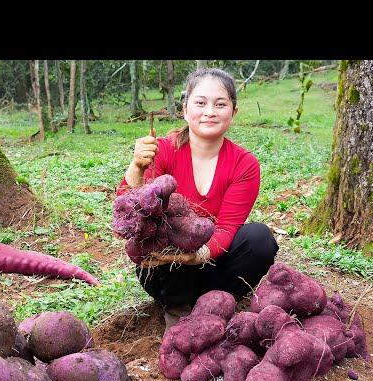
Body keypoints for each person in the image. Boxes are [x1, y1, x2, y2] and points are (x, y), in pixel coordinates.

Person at [116, 68, 279, 329]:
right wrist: (136, 168)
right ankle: (178, 310)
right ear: (185, 109)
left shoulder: (244, 164)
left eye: (220, 104)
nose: (210, 111)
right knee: (165, 230)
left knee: (259, 239)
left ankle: (220, 303)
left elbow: (227, 228)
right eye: (200, 103)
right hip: (166, 271)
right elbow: (131, 213)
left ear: (233, 112)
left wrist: (195, 255)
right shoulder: (163, 149)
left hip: (215, 266)